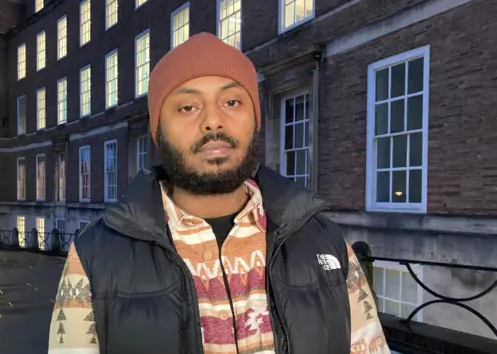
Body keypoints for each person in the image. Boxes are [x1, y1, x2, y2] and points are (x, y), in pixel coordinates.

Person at [48, 32, 390, 354]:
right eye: (188, 107)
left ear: (255, 119)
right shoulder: (94, 256)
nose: (213, 121)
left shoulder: (326, 241)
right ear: (157, 131)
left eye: (231, 101)